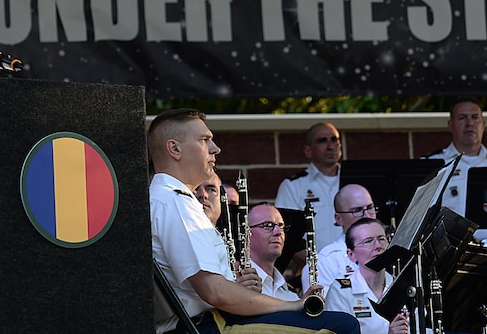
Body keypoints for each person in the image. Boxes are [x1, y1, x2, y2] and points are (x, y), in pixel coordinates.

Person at [149, 108, 360, 334]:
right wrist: (294, 304)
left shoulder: (168, 199)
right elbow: (214, 292)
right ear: (174, 149)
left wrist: (238, 288)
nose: (215, 149)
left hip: (211, 320)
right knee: (341, 327)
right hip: (207, 326)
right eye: (204, 140)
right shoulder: (175, 201)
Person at [325, 218, 411, 334]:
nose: (378, 246)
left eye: (381, 239)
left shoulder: (402, 284)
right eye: (368, 241)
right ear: (351, 255)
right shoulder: (341, 291)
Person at [426, 97, 487, 217]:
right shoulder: (433, 165)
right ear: (450, 125)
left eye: (475, 117)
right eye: (462, 118)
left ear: (483, 124)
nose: (470, 123)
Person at [276, 122, 345, 249]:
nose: (330, 146)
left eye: (334, 140)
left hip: (355, 265)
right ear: (308, 151)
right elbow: (285, 236)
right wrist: (316, 266)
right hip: (313, 266)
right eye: (322, 141)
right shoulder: (293, 186)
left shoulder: (355, 183)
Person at [306, 184, 378, 291]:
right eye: (357, 210)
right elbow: (327, 306)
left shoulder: (387, 250)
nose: (367, 215)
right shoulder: (326, 261)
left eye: (370, 207)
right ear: (338, 218)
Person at [247, 204, 299, 302]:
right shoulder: (235, 283)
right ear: (246, 233)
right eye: (267, 225)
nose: (278, 232)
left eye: (281, 226)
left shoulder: (291, 295)